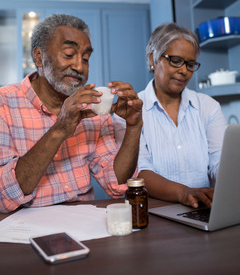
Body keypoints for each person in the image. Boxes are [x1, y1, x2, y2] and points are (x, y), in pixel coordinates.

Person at [0, 14, 143, 213]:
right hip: (24, 231)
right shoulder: (4, 103)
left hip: (83, 226)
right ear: (39, 57)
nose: (79, 67)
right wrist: (59, 129)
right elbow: (3, 197)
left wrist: (134, 126)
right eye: (69, 54)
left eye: (85, 58)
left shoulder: (92, 108)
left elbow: (116, 184)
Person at [114, 22, 227, 208]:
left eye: (190, 64)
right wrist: (184, 193)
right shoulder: (129, 111)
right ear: (153, 59)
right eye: (176, 60)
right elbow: (138, 172)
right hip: (153, 213)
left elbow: (219, 162)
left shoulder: (208, 107)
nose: (184, 71)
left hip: (204, 209)